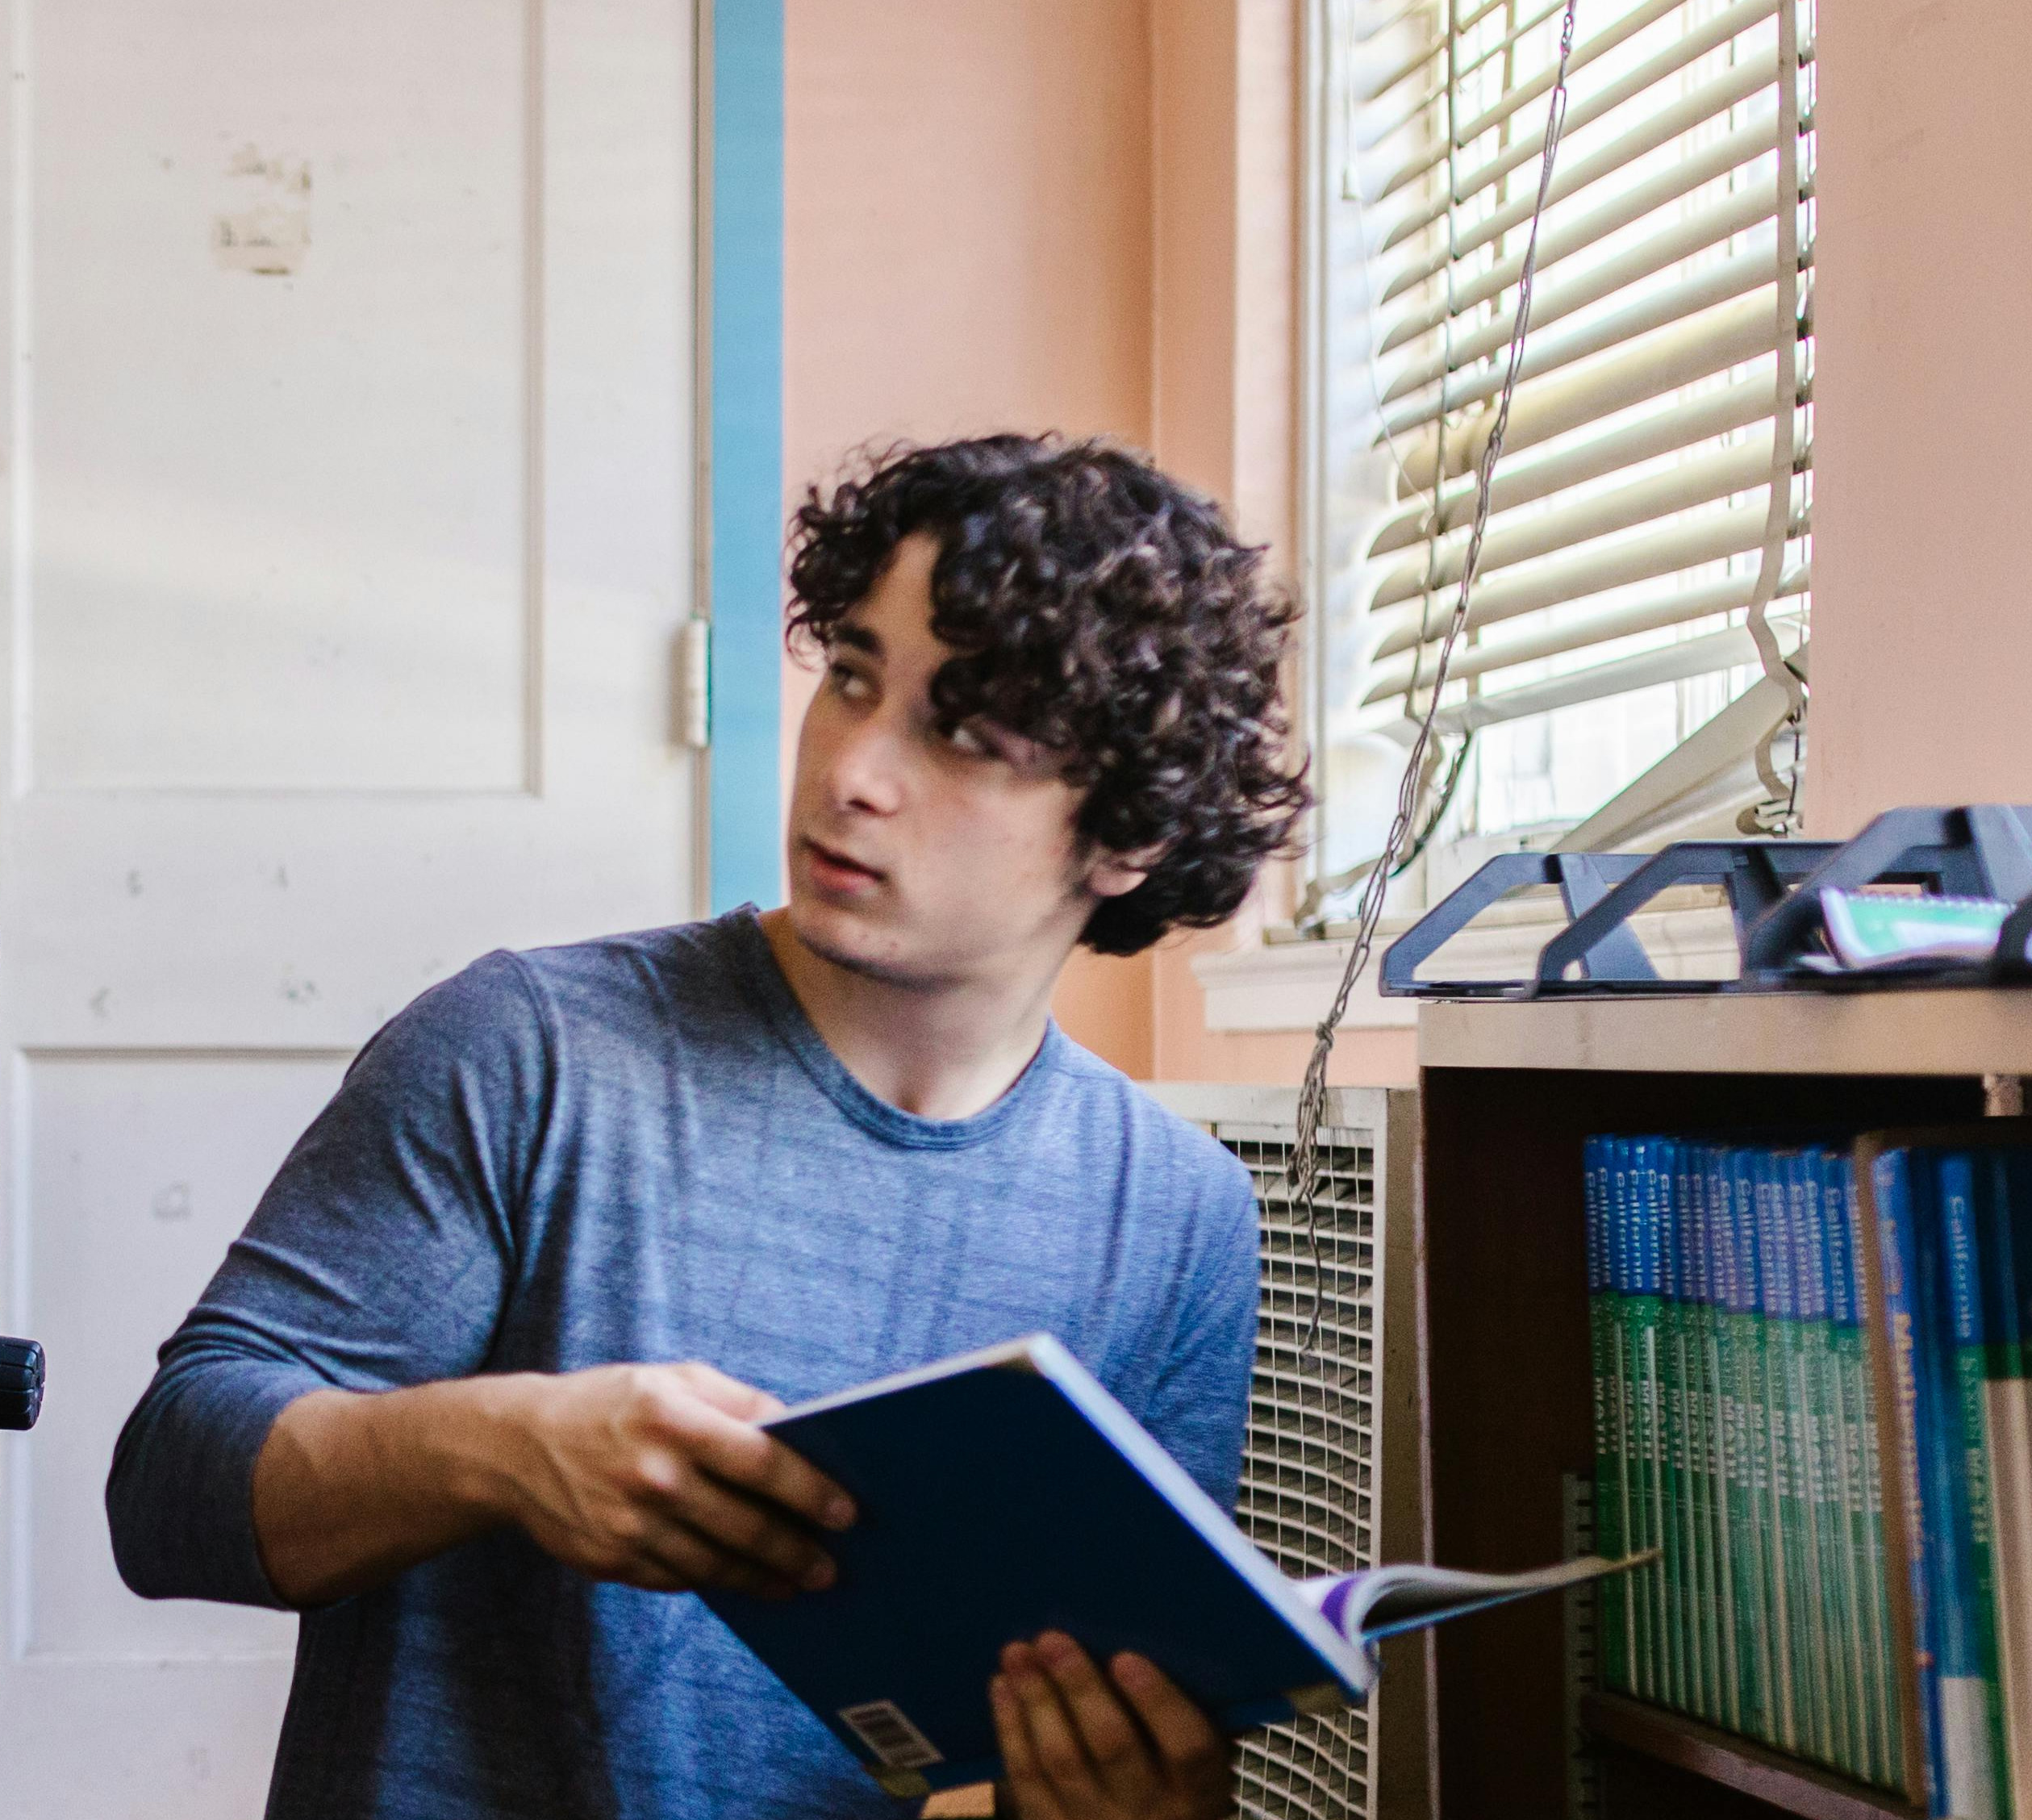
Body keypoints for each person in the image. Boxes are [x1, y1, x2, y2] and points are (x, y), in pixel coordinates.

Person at [105, 436, 1307, 1820]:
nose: (853, 770)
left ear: (1128, 837)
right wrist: (501, 1449)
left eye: (964, 735)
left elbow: (1096, 1714)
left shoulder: (1176, 1217)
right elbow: (170, 1492)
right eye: (850, 676)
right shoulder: (529, 1047)